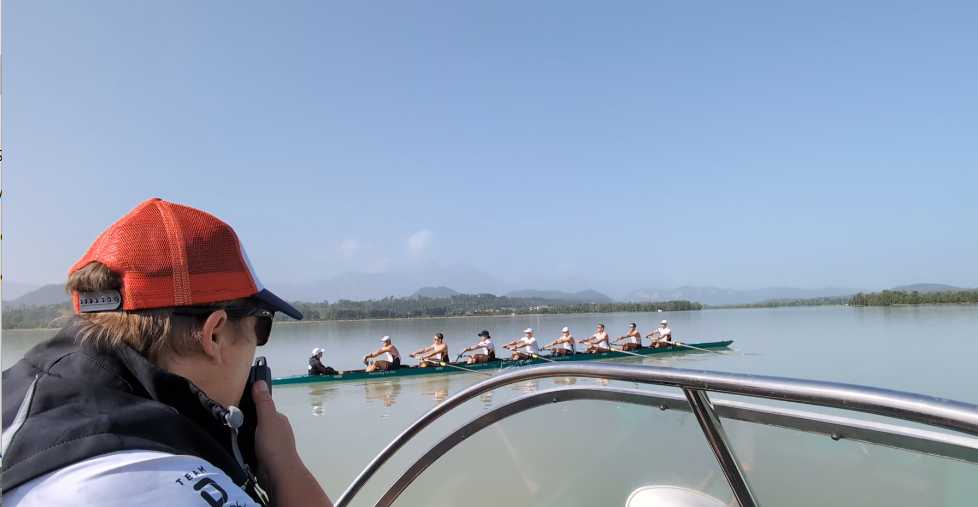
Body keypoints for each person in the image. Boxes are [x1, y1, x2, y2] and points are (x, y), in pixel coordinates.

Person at [0, 198, 333, 507]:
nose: (257, 343)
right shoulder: (170, 485)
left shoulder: (22, 395)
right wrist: (284, 465)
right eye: (261, 326)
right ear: (214, 334)